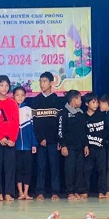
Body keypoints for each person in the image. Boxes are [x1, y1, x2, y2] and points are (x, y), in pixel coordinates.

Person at [31, 71, 63, 201]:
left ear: (51, 83)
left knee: (54, 166)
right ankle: (40, 191)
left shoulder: (57, 100)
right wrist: (40, 138)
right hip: (41, 141)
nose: (42, 84)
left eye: (44, 81)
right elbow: (35, 122)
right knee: (41, 166)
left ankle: (55, 191)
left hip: (54, 140)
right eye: (40, 81)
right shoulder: (36, 100)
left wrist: (60, 139)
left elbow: (60, 122)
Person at [0, 75, 19, 201]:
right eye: (1, 85)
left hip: (11, 140)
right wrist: (0, 137)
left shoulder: (12, 102)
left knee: (10, 167)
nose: (4, 88)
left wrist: (12, 138)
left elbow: (15, 122)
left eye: (6, 85)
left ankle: (9, 193)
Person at [58, 90, 89, 200]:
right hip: (69, 147)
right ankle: (70, 192)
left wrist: (86, 145)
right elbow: (60, 131)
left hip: (80, 147)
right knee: (69, 170)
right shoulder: (63, 113)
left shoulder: (80, 113)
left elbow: (84, 131)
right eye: (80, 99)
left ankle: (77, 190)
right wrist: (63, 145)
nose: (81, 101)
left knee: (79, 169)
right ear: (74, 99)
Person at [13, 86, 37, 200]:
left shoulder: (28, 109)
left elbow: (32, 128)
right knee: (18, 169)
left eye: (22, 95)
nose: (20, 97)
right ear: (13, 96)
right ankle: (20, 192)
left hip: (28, 146)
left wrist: (34, 144)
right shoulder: (11, 108)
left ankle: (26, 193)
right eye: (17, 95)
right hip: (15, 146)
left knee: (28, 169)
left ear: (25, 96)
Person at [83, 93, 107, 199]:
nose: (96, 104)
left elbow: (106, 130)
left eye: (97, 102)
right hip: (89, 148)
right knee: (87, 170)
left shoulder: (102, 115)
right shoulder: (83, 117)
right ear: (87, 104)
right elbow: (82, 133)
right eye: (93, 102)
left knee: (102, 169)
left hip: (101, 147)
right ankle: (85, 191)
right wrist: (85, 145)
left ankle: (101, 191)